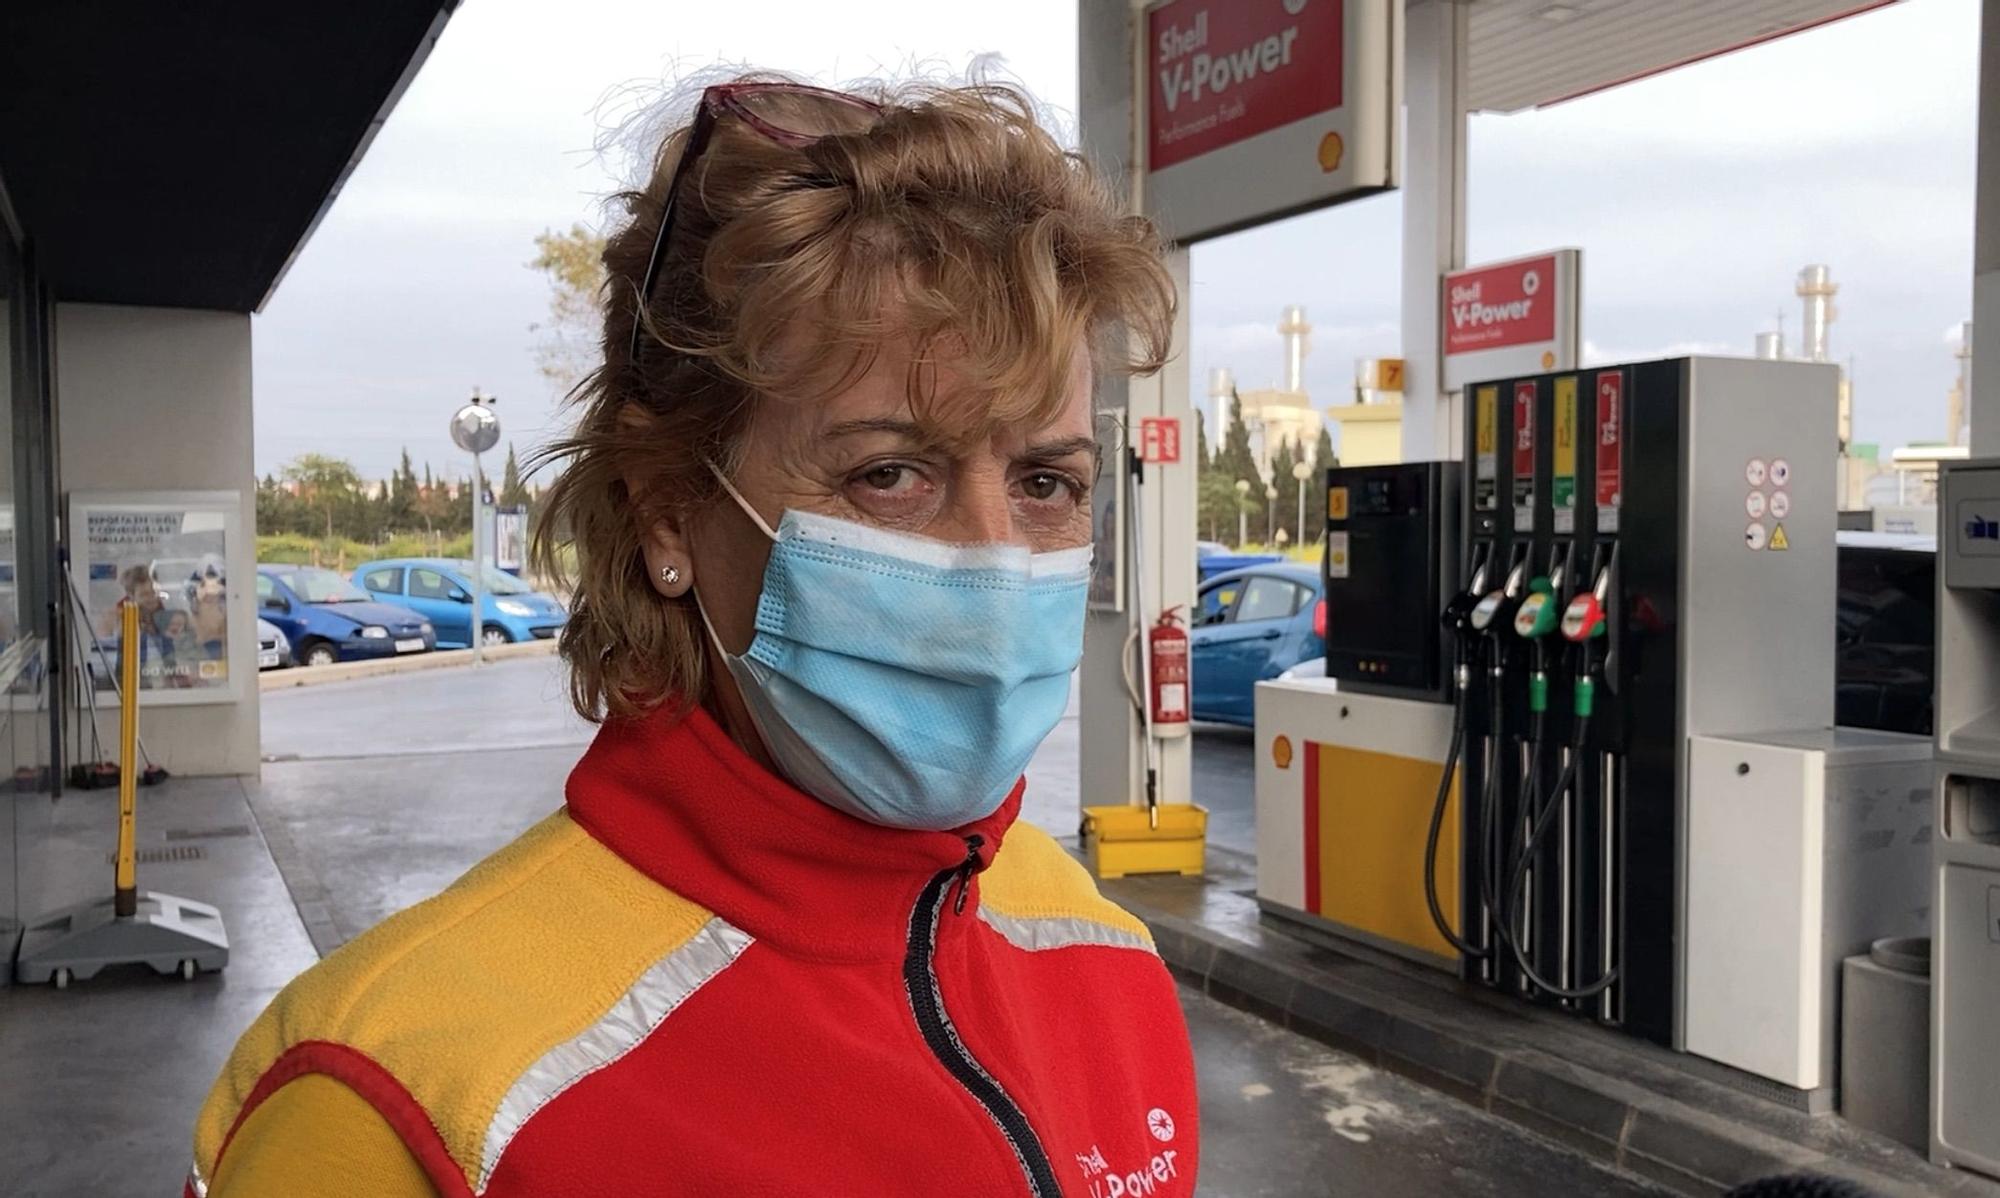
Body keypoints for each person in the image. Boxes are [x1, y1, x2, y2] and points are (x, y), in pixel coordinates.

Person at [187, 76, 1194, 1197]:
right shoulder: (406, 1104)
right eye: (889, 473)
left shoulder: (1104, 959)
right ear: (670, 506)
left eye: (1046, 479)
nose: (994, 554)